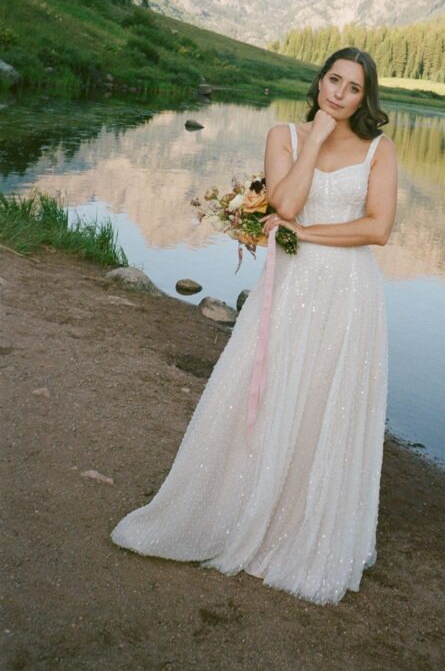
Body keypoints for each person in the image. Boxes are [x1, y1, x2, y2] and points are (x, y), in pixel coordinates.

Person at [110, 47, 398, 605]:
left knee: (323, 402)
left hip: (349, 293)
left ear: (367, 98)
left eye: (353, 88)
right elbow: (285, 206)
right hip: (290, 288)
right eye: (333, 80)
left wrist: (311, 236)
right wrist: (313, 140)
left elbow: (377, 228)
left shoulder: (378, 150)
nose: (339, 93)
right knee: (262, 393)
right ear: (319, 82)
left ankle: (304, 525)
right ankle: (241, 508)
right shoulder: (284, 135)